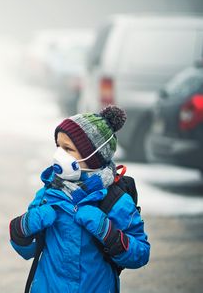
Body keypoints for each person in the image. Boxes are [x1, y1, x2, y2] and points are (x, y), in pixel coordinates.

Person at [9, 106, 150, 292]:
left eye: (68, 149)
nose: (59, 154)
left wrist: (109, 233)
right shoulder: (48, 194)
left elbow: (140, 254)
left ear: (94, 157)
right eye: (58, 146)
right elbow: (27, 250)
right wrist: (23, 228)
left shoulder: (115, 201)